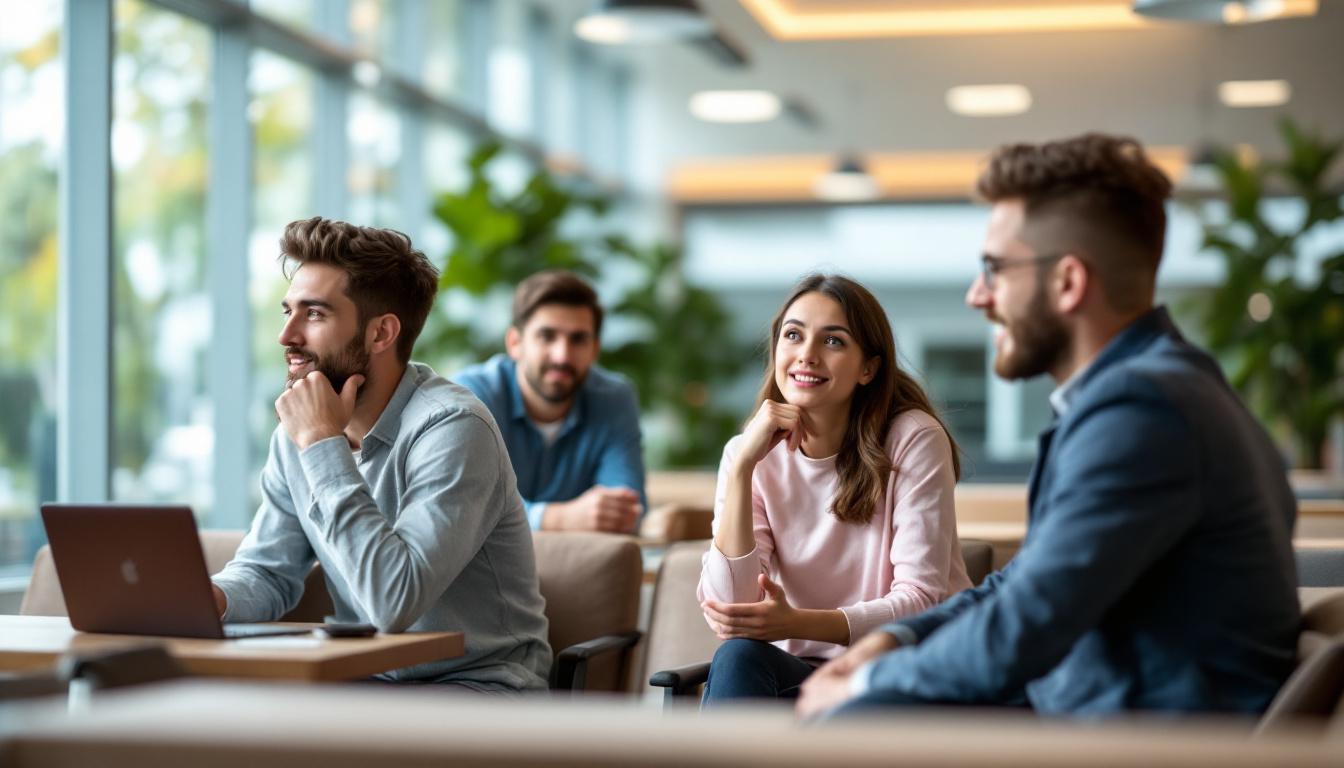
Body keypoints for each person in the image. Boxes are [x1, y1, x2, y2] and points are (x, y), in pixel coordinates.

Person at [797, 134, 1300, 718]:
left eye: (995, 269)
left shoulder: (1142, 412)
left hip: (1142, 745)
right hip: (1088, 717)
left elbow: (1025, 626)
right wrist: (894, 639)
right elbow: (1022, 585)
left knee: (857, 715)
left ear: (1067, 282)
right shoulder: (1162, 387)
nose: (976, 295)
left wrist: (863, 685)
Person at [211, 217, 551, 692]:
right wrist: (213, 599)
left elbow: (394, 601)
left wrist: (323, 447)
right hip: (363, 683)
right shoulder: (300, 433)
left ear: (380, 333)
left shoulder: (454, 428)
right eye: (287, 311)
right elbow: (268, 572)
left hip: (477, 686)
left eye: (314, 314)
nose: (286, 336)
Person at [697, 273, 972, 703]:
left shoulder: (913, 438)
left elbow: (921, 601)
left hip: (902, 666)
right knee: (737, 657)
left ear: (868, 369)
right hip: (802, 674)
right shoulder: (746, 453)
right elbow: (732, 608)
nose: (806, 355)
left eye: (833, 341)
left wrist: (795, 624)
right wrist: (741, 469)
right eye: (793, 335)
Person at [455, 270, 646, 533]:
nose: (562, 355)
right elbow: (465, 506)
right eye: (547, 336)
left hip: (577, 566)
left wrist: (614, 514)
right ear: (515, 343)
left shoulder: (615, 398)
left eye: (578, 339)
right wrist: (558, 519)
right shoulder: (471, 394)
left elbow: (628, 508)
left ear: (594, 350)